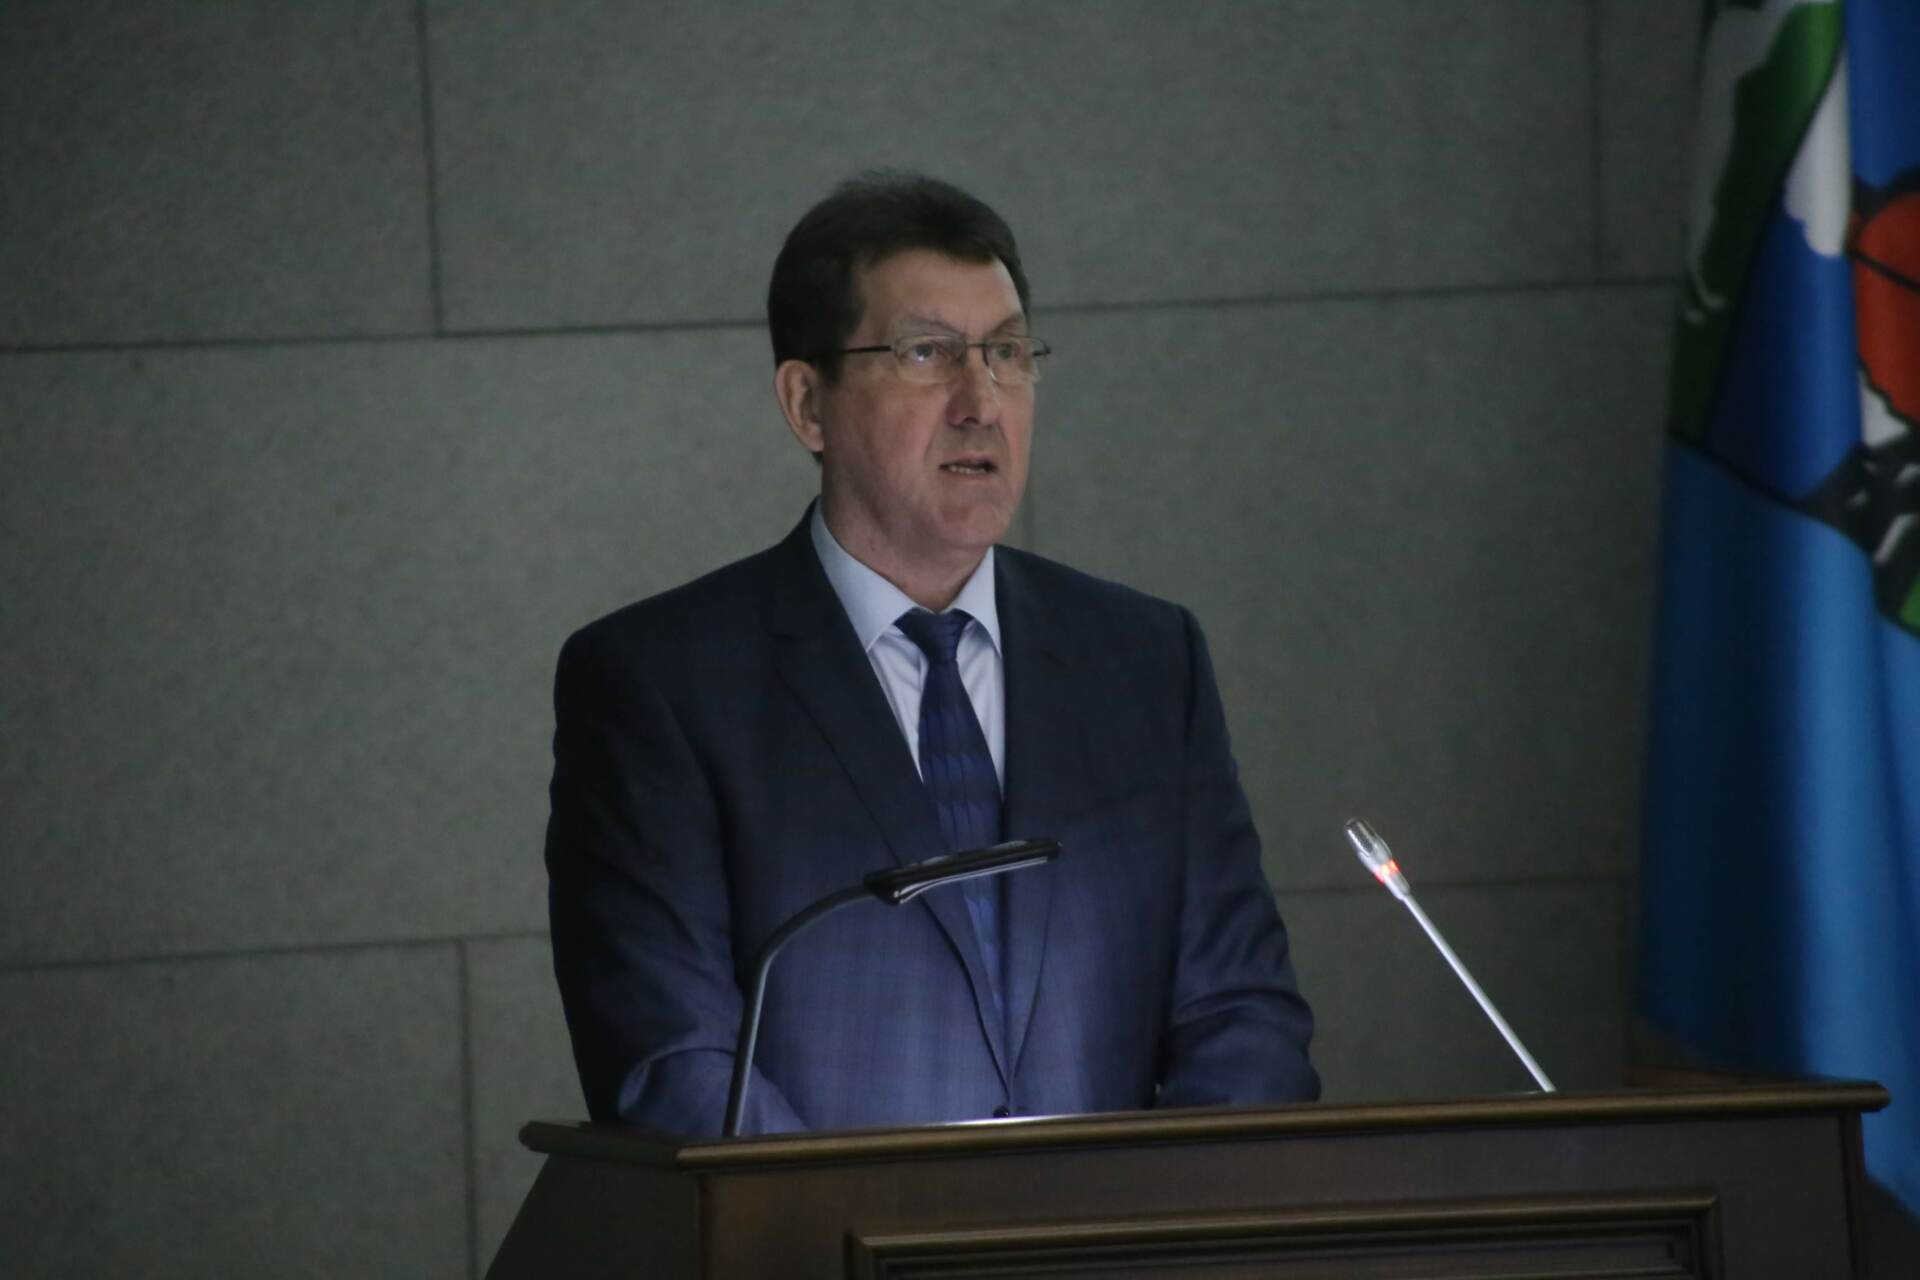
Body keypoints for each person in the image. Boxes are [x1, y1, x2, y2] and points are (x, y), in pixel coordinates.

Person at [545, 172, 1318, 1136]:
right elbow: (672, 1065)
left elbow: (1244, 1018)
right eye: (927, 353)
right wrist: (880, 1222)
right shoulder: (660, 684)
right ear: (808, 403)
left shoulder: (1147, 663)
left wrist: (1139, 1217)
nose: (980, 401)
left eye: (1007, 353)